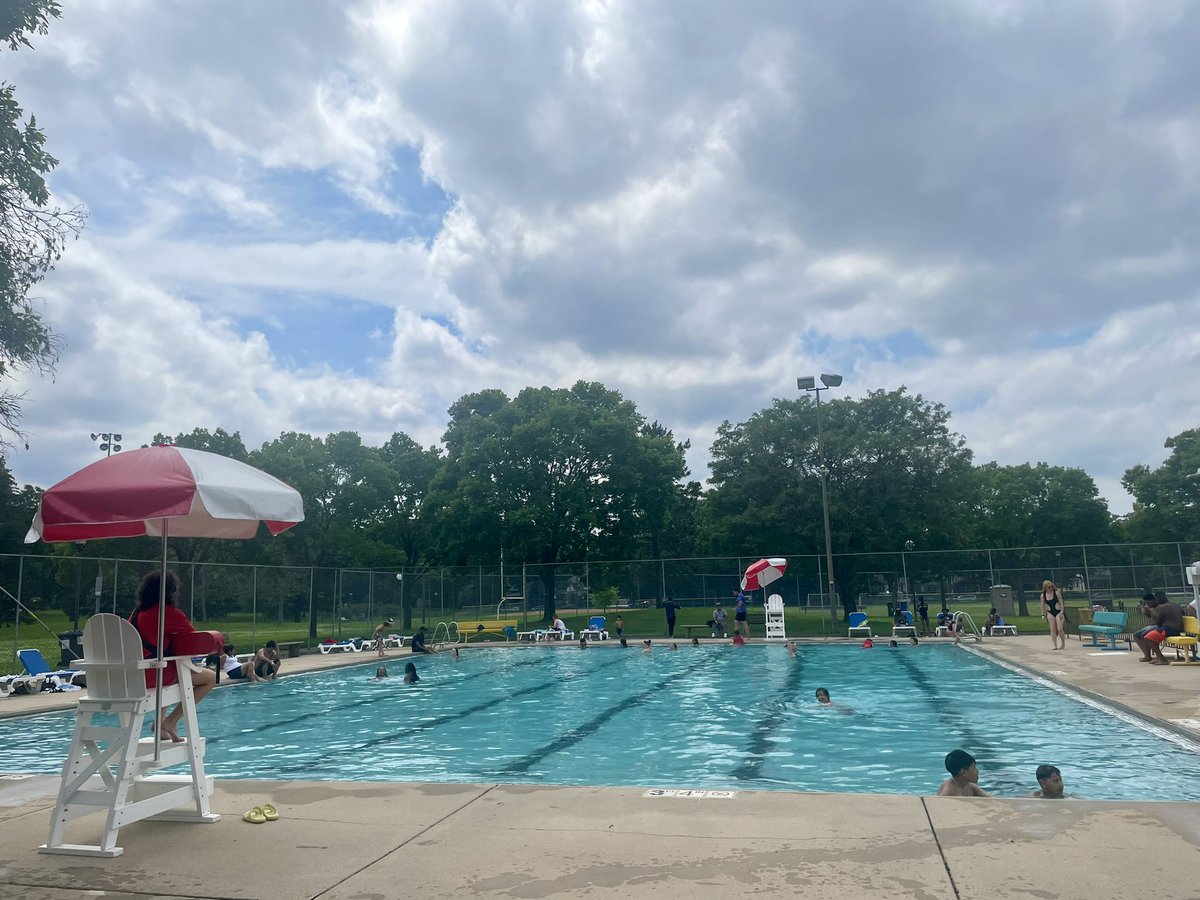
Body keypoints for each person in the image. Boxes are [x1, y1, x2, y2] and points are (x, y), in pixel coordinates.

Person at [129, 570, 217, 743]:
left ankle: (159, 724)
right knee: (210, 678)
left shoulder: (136, 613)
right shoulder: (167, 612)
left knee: (167, 667)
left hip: (134, 676)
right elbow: (194, 637)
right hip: (154, 676)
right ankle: (171, 721)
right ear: (170, 592)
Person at [1137, 590, 1184, 665]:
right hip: (1177, 628)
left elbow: (1159, 622)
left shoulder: (1162, 607)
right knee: (1148, 636)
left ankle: (1162, 659)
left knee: (1147, 638)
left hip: (1170, 629)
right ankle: (1158, 657)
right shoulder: (1175, 605)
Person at [1040, 580, 1066, 650]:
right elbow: (1042, 605)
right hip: (1050, 612)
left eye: (1051, 586)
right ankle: (1055, 645)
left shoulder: (1056, 593)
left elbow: (1061, 603)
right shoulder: (1043, 595)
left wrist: (1062, 612)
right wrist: (1043, 614)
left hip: (1058, 612)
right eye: (1048, 587)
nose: (1050, 588)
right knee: (1052, 629)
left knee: (1060, 629)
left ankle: (1063, 643)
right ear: (1045, 587)